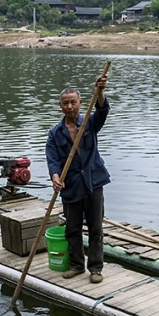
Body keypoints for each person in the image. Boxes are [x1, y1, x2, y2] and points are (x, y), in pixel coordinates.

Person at [45, 75, 110, 283]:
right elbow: (53, 159)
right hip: (71, 186)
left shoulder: (90, 123)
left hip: (93, 182)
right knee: (72, 228)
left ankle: (95, 268)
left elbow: (103, 110)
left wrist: (99, 91)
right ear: (61, 106)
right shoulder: (55, 133)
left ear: (80, 103)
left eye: (73, 102)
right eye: (66, 103)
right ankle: (76, 265)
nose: (70, 106)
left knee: (95, 227)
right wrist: (55, 177)